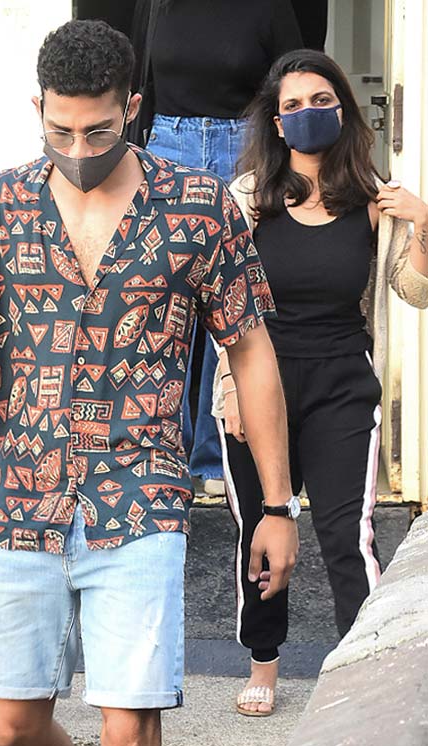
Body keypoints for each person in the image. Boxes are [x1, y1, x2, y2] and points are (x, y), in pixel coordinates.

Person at [0, 21, 299, 746]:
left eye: (99, 132)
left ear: (134, 108)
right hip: (23, 496)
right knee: (12, 726)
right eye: (61, 131)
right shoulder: (4, 206)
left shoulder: (197, 208)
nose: (79, 151)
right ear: (37, 111)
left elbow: (251, 352)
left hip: (141, 497)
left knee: (128, 737)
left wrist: (275, 507)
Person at [214, 49, 428, 717]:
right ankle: (264, 664)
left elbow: (414, 291)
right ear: (277, 124)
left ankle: (362, 679)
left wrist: (423, 221)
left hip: (341, 383)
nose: (309, 114)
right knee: (260, 527)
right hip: (261, 384)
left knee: (346, 535)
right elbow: (221, 305)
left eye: (320, 101)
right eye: (294, 106)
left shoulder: (375, 199)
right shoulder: (248, 198)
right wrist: (231, 393)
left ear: (343, 109)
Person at [131, 0, 303, 497]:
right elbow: (141, 79)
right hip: (168, 140)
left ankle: (212, 454)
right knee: (162, 302)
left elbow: (292, 78)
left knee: (231, 304)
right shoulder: (159, 4)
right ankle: (163, 449)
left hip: (244, 144)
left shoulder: (268, 8)